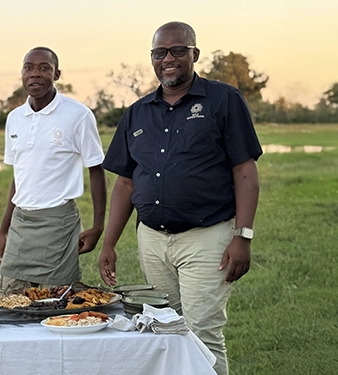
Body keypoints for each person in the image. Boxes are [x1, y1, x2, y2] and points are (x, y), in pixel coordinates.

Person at [98, 22, 262, 375]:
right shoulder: (138, 112)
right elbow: (125, 184)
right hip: (153, 240)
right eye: (160, 52)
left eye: (177, 51)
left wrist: (243, 236)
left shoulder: (223, 100)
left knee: (202, 332)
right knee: (164, 330)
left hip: (208, 238)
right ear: (152, 58)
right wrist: (109, 243)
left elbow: (245, 171)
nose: (168, 59)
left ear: (194, 54)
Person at [0, 47, 107, 292]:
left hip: (58, 223)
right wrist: (4, 230)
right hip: (21, 224)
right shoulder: (14, 118)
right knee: (9, 297)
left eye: (44, 67)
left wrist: (98, 226)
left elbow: (96, 170)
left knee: (54, 301)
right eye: (28, 67)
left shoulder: (78, 115)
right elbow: (19, 176)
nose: (35, 73)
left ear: (57, 74)